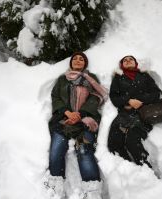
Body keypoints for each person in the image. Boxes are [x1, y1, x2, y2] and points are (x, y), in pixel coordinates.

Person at [45, 52, 108, 199]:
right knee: (56, 149)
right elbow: (56, 97)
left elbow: (97, 97)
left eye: (81, 59)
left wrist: (80, 114)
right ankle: (56, 188)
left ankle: (93, 191)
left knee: (84, 149)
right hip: (63, 120)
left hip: (85, 121)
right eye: (75, 59)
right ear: (71, 63)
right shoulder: (62, 79)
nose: (78, 61)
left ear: (85, 63)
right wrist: (68, 113)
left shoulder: (91, 79)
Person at [107, 55, 160, 167]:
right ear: (122, 65)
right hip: (124, 113)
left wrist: (141, 100)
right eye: (125, 60)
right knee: (113, 142)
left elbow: (156, 94)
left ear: (135, 63)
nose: (128, 61)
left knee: (132, 141)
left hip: (143, 114)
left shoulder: (144, 76)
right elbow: (114, 97)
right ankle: (127, 168)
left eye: (130, 59)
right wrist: (128, 101)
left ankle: (145, 168)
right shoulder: (118, 78)